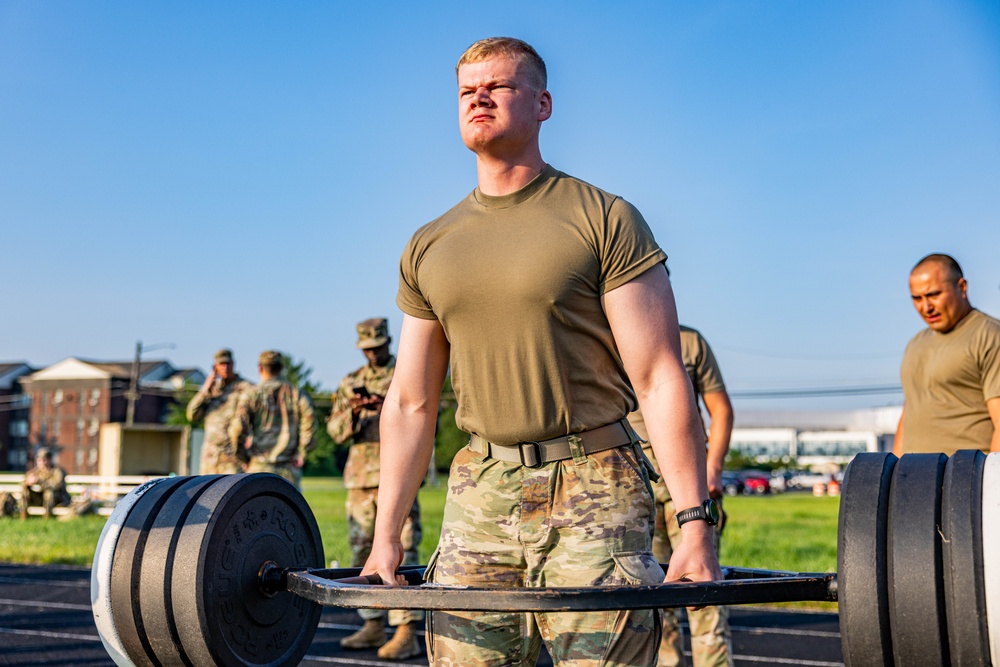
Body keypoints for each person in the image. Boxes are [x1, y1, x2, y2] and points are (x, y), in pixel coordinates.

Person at [363, 37, 721, 666]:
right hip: (480, 491)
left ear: (543, 104)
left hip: (595, 482)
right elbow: (411, 403)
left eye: (498, 85)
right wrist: (384, 538)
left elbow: (662, 378)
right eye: (466, 89)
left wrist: (693, 521)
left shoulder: (604, 218)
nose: (479, 96)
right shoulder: (428, 244)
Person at [628, 325, 734, 667]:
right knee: (657, 602)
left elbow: (721, 410)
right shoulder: (608, 337)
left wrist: (713, 467)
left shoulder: (689, 342)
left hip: (686, 482)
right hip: (635, 479)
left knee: (705, 593)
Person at [327, 318, 423, 660]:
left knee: (402, 552)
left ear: (388, 341)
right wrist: (354, 413)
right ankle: (371, 623)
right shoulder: (351, 381)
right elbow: (335, 431)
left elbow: (427, 416)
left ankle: (406, 629)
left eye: (377, 346)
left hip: (397, 475)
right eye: (366, 348)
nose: (372, 353)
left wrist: (387, 409)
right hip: (361, 478)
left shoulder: (408, 370)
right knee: (361, 553)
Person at [894, 253, 1000, 455]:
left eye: (934, 294)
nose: (926, 307)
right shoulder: (915, 344)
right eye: (917, 298)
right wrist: (895, 474)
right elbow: (908, 415)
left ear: (962, 287)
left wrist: (991, 483)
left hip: (966, 480)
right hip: (912, 479)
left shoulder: (990, 336)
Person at [229, 350, 317, 489]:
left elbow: (238, 428)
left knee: (257, 508)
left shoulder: (251, 394)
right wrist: (302, 451)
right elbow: (309, 421)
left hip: (258, 466)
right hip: (288, 467)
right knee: (288, 508)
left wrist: (243, 457)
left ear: (260, 368)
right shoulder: (296, 393)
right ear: (281, 368)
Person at [186, 348, 252, 474]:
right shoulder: (211, 391)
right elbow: (192, 415)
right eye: (221, 364)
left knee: (234, 492)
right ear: (215, 367)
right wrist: (206, 388)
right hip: (210, 459)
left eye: (228, 364)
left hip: (233, 458)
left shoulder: (246, 388)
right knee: (206, 493)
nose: (225, 368)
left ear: (233, 364)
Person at [20, 447, 71, 520]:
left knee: (49, 493)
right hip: (39, 498)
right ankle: (23, 517)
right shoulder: (35, 471)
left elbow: (56, 485)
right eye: (39, 460)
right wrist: (28, 482)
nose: (42, 463)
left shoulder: (57, 471)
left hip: (57, 499)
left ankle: (47, 517)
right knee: (25, 491)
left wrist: (40, 482)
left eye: (44, 460)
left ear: (50, 460)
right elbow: (22, 482)